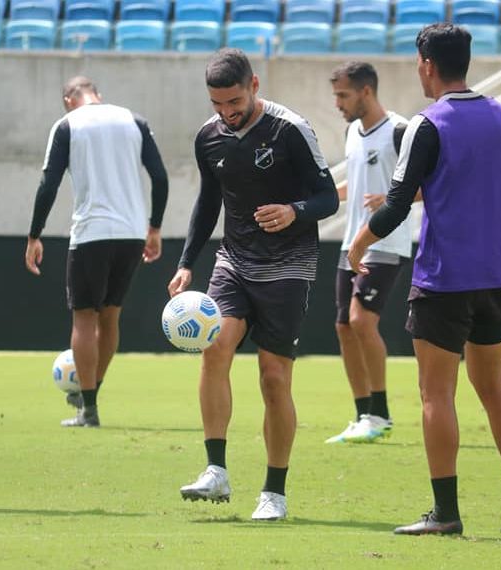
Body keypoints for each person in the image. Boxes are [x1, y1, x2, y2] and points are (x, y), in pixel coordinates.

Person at [348, 24, 501, 536]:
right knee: (495, 388)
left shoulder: (427, 124)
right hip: (499, 276)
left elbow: (393, 203)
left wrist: (359, 244)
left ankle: (446, 513)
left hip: (445, 277)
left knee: (437, 394)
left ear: (427, 64)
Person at [168, 48, 338, 521]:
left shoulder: (291, 130)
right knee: (214, 346)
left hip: (289, 265)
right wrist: (186, 264)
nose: (226, 112)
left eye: (235, 101)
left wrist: (293, 211)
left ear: (255, 85)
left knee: (273, 377)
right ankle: (215, 470)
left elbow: (326, 198)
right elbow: (208, 203)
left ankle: (274, 493)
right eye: (217, 104)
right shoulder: (209, 137)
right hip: (235, 260)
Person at [25, 76, 168, 428]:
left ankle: (88, 408)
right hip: (132, 233)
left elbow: (49, 183)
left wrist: (35, 235)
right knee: (111, 316)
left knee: (84, 318)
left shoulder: (67, 125)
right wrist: (154, 228)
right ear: (98, 95)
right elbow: (160, 177)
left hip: (92, 232)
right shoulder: (134, 120)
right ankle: (91, 393)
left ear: (68, 100)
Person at [325, 61, 410, 445]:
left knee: (361, 321)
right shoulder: (352, 132)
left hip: (386, 242)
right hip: (350, 242)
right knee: (343, 326)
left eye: (343, 95)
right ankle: (362, 414)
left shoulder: (400, 131)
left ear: (366, 92)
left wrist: (393, 199)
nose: (338, 103)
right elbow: (353, 186)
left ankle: (381, 413)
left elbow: (435, 184)